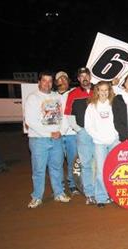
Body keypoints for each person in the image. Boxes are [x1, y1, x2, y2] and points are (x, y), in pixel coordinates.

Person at [25, 71, 71, 208]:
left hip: (56, 138)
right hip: (39, 140)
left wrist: (60, 132)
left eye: (50, 81)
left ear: (53, 83)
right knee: (39, 170)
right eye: (44, 81)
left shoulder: (57, 97)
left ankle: (59, 193)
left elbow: (64, 116)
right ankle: (37, 197)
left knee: (56, 167)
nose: (47, 83)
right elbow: (30, 121)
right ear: (39, 82)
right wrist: (49, 133)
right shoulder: (33, 98)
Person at [85, 81, 119, 208]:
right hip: (99, 143)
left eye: (106, 90)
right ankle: (101, 197)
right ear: (97, 91)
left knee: (115, 170)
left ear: (109, 91)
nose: (104, 92)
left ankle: (114, 195)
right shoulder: (91, 106)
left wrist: (115, 136)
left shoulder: (114, 104)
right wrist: (99, 137)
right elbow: (88, 126)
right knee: (100, 170)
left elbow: (119, 120)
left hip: (114, 141)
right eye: (101, 90)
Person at [64, 67, 96, 205]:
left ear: (90, 76)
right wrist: (79, 130)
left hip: (99, 134)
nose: (84, 78)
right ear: (78, 79)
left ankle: (102, 191)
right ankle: (89, 193)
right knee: (86, 164)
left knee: (101, 163)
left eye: (86, 75)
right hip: (83, 134)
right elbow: (68, 114)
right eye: (81, 76)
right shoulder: (73, 94)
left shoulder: (98, 90)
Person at [55, 71, 80, 195]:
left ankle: (72, 184)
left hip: (72, 133)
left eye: (65, 79)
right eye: (60, 79)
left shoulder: (74, 92)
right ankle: (59, 187)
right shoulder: (52, 96)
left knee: (72, 161)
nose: (63, 81)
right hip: (56, 134)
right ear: (56, 82)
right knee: (57, 161)